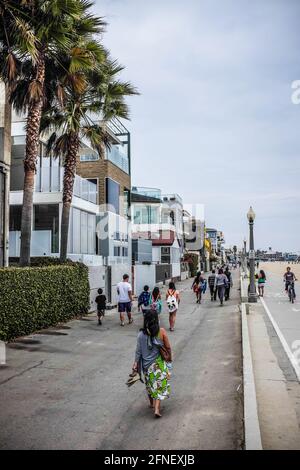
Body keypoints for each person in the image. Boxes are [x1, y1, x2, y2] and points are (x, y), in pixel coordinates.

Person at [132, 311, 172, 418]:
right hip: (158, 363)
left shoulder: (140, 334)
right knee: (158, 385)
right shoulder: (161, 331)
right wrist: (169, 358)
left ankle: (151, 403)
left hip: (146, 365)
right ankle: (157, 408)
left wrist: (136, 363)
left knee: (149, 384)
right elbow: (168, 347)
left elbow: (138, 351)